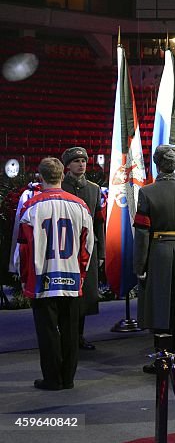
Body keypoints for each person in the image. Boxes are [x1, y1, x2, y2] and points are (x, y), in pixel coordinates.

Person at [17, 157, 94, 390]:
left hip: (42, 278)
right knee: (71, 329)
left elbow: (23, 249)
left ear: (41, 177)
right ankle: (68, 378)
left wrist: (24, 279)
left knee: (47, 330)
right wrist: (81, 274)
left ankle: (52, 378)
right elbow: (87, 247)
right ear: (62, 175)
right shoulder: (80, 206)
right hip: (70, 276)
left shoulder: (31, 207)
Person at [135, 145, 175, 372]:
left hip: (158, 252)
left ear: (157, 163)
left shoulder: (146, 193)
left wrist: (140, 265)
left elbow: (142, 233)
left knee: (160, 307)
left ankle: (163, 360)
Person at [59, 147, 104, 351]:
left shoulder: (94, 189)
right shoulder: (59, 187)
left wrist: (101, 252)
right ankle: (64, 336)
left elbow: (99, 223)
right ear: (67, 165)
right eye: (76, 161)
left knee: (84, 294)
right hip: (64, 249)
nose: (81, 164)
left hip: (88, 249)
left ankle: (78, 337)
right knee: (65, 293)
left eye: (84, 160)